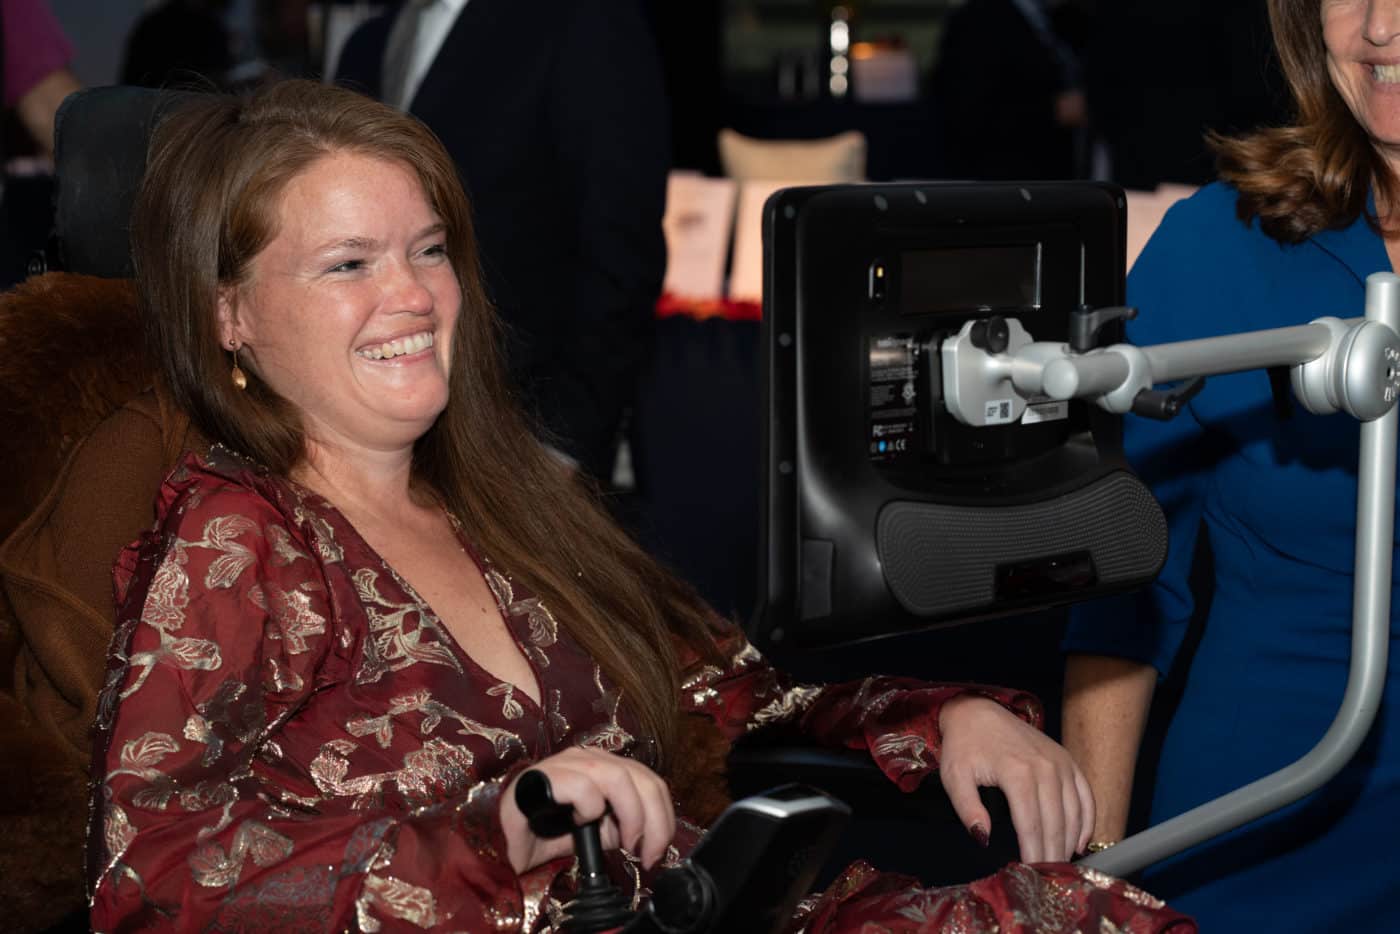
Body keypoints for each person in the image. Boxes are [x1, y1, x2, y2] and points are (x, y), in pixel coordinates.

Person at [85, 79, 1190, 932]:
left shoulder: (507, 502)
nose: (412, 295)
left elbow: (745, 685)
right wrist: (497, 828)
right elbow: (147, 879)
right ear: (228, 315)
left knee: (1092, 914)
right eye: (347, 265)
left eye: (428, 250)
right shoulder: (240, 536)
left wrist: (942, 718)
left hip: (719, 909)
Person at [1063, 0, 1400, 927]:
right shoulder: (1227, 242)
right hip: (1261, 823)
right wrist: (1090, 886)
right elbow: (1121, 589)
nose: (1378, 29)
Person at [333, 0, 667, 484]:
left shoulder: (582, 21)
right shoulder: (369, 44)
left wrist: (563, 441)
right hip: (374, 440)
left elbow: (622, 251)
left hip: (518, 430)